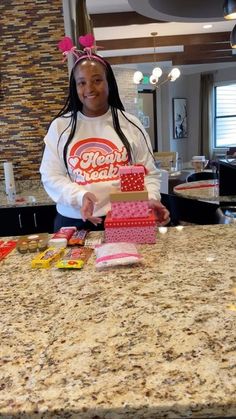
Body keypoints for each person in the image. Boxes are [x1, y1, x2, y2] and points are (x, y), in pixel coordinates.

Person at [40, 34, 170, 231]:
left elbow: (149, 173)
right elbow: (51, 176)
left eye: (97, 80)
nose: (89, 88)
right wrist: (80, 196)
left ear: (109, 83)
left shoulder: (131, 124)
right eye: (81, 82)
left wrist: (150, 199)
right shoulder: (60, 127)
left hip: (126, 219)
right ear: (75, 88)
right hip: (76, 221)